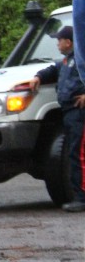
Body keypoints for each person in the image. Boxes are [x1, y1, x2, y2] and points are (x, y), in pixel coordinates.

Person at [28, 26, 85, 211]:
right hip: (68, 111)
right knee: (73, 153)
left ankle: (81, 197)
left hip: (79, 112)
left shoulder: (80, 59)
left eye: (59, 40)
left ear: (68, 42)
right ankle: (79, 195)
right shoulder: (66, 61)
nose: (57, 43)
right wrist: (38, 76)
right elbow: (53, 69)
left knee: (79, 154)